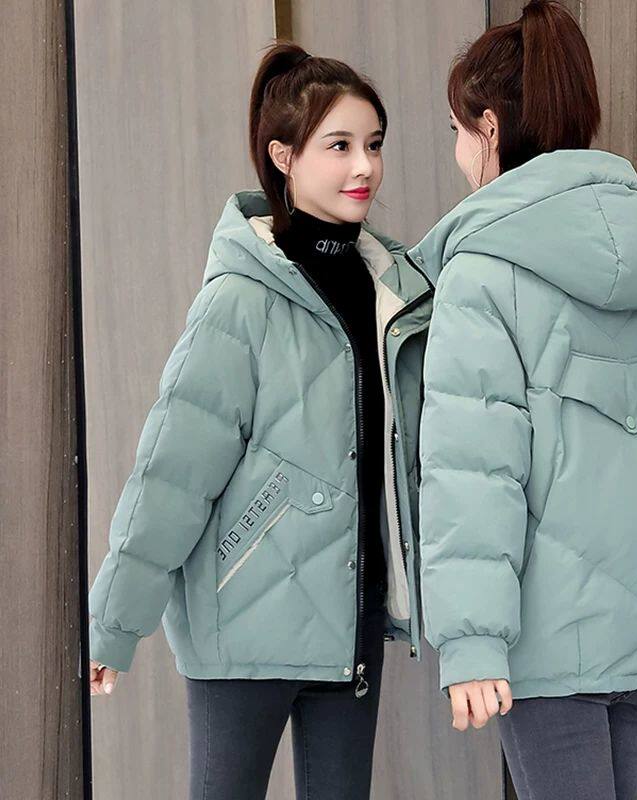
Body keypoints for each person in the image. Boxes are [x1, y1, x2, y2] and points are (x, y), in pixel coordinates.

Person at [87, 42, 432, 800]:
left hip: (352, 623)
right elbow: (172, 473)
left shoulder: (396, 296)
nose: (364, 166)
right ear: (284, 157)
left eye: (374, 144)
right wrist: (115, 623)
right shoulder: (240, 300)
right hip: (242, 625)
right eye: (338, 145)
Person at [407, 2, 637, 799]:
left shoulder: (481, 272)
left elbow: (473, 470)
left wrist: (472, 642)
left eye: (455, 130)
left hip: (549, 643)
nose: (457, 152)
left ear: (488, 127)